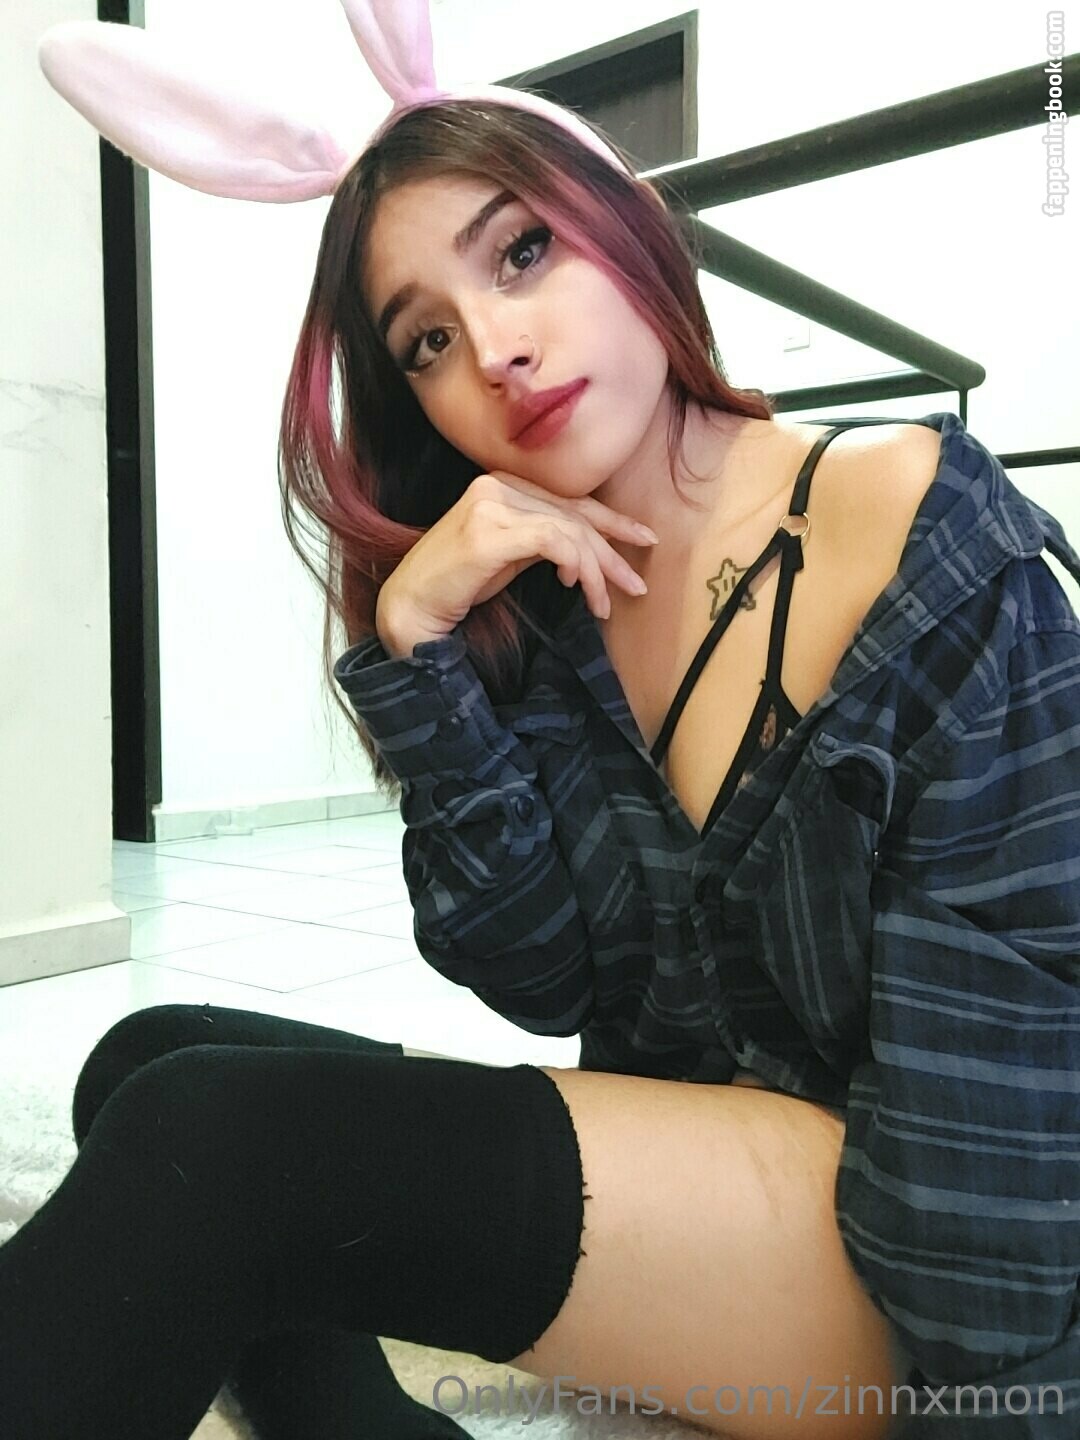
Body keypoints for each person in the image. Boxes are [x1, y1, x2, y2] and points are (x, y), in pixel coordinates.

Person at [13, 3, 1079, 1437]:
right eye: (427, 341)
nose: (497, 350)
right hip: (726, 1174)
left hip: (924, 1271)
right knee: (148, 1061)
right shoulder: (540, 603)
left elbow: (1008, 1130)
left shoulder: (916, 535)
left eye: (522, 252)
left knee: (215, 1145)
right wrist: (417, 646)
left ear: (626, 226)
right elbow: (541, 974)